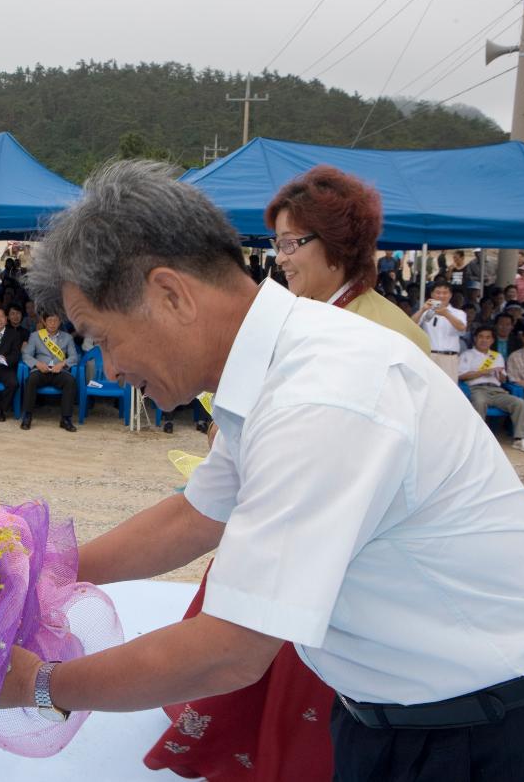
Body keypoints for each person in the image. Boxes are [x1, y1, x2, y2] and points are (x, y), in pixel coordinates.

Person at [0, 159, 524, 781]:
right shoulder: (274, 364)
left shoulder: (322, 393)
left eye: (100, 336)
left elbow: (229, 651)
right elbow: (197, 515)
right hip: (401, 718)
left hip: (499, 732)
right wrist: (39, 573)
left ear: (171, 294)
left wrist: (37, 686)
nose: (107, 366)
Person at [145, 164, 435, 781]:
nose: (281, 259)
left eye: (291, 243)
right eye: (275, 243)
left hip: (333, 538)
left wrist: (45, 688)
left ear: (338, 245)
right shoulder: (304, 314)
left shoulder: (379, 331)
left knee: (268, 658)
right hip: (282, 508)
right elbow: (198, 510)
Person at [459, 326, 524, 453]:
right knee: (480, 402)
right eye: (481, 337)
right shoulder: (467, 355)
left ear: (492, 340)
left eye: (488, 337)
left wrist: (502, 376)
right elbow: (461, 375)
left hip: (497, 390)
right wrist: (485, 372)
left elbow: (503, 380)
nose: (484, 340)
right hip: (477, 389)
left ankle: (520, 438)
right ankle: (477, 439)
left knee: (519, 402)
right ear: (475, 339)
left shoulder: (497, 356)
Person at [20, 310, 78, 432]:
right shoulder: (35, 336)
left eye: (55, 320)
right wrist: (37, 364)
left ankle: (66, 419)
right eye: (49, 321)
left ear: (60, 322)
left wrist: (62, 364)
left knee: (70, 381)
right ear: (44, 322)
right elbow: (26, 355)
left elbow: (74, 357)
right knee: (31, 380)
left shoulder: (67, 337)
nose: (52, 323)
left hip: (59, 371)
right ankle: (27, 416)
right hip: (41, 370)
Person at [412, 282, 466, 381]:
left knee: (449, 389)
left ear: (450, 295)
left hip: (449, 358)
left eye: (445, 293)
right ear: (432, 294)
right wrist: (423, 309)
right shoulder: (426, 311)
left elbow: (462, 327)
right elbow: (410, 325)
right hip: (430, 356)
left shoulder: (458, 313)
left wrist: (446, 314)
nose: (441, 295)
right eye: (438, 292)